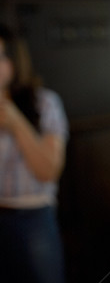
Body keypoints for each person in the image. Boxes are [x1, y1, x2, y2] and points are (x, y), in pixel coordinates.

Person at [0, 25, 69, 283]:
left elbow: (48, 171)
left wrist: (16, 122)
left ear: (14, 61)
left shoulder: (44, 103)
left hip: (33, 216)